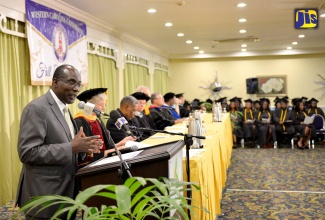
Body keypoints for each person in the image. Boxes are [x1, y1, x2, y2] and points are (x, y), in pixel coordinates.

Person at [16, 65, 103, 219]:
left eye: (79, 84)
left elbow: (66, 145)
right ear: (55, 82)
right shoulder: (37, 108)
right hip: (44, 198)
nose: (77, 89)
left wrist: (82, 149)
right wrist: (70, 148)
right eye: (71, 82)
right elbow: (28, 152)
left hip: (66, 194)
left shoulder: (64, 108)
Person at [74, 88, 135, 166]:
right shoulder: (80, 121)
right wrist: (112, 151)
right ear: (89, 105)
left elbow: (105, 147)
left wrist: (121, 143)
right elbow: (85, 155)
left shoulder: (96, 120)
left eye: (104, 104)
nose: (104, 108)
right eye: (100, 105)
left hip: (103, 161)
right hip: (91, 167)